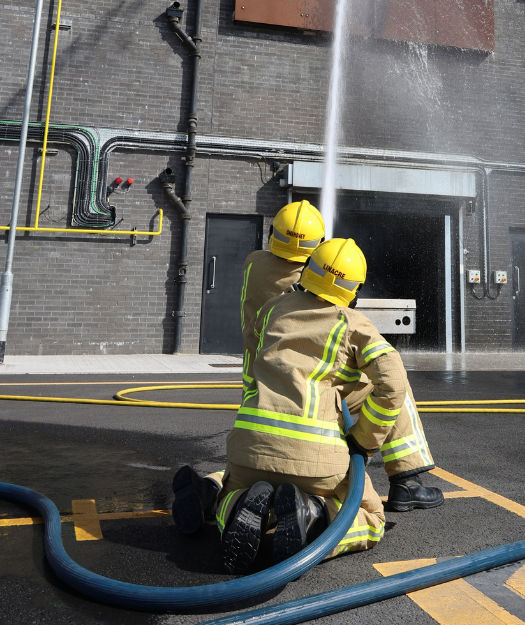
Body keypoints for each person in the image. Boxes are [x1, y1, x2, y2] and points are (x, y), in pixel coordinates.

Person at [209, 237, 442, 574]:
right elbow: (393, 383)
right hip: (317, 464)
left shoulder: (271, 309)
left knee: (227, 495)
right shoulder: (353, 323)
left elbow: (255, 354)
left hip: (248, 451)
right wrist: (363, 441)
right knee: (372, 518)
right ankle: (316, 518)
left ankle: (236, 508)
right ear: (354, 288)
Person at [172, 199, 325, 533]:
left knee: (252, 461)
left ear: (272, 234)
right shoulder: (310, 280)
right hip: (296, 386)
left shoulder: (255, 263)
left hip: (254, 385)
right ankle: (403, 477)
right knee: (299, 464)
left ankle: (210, 490)